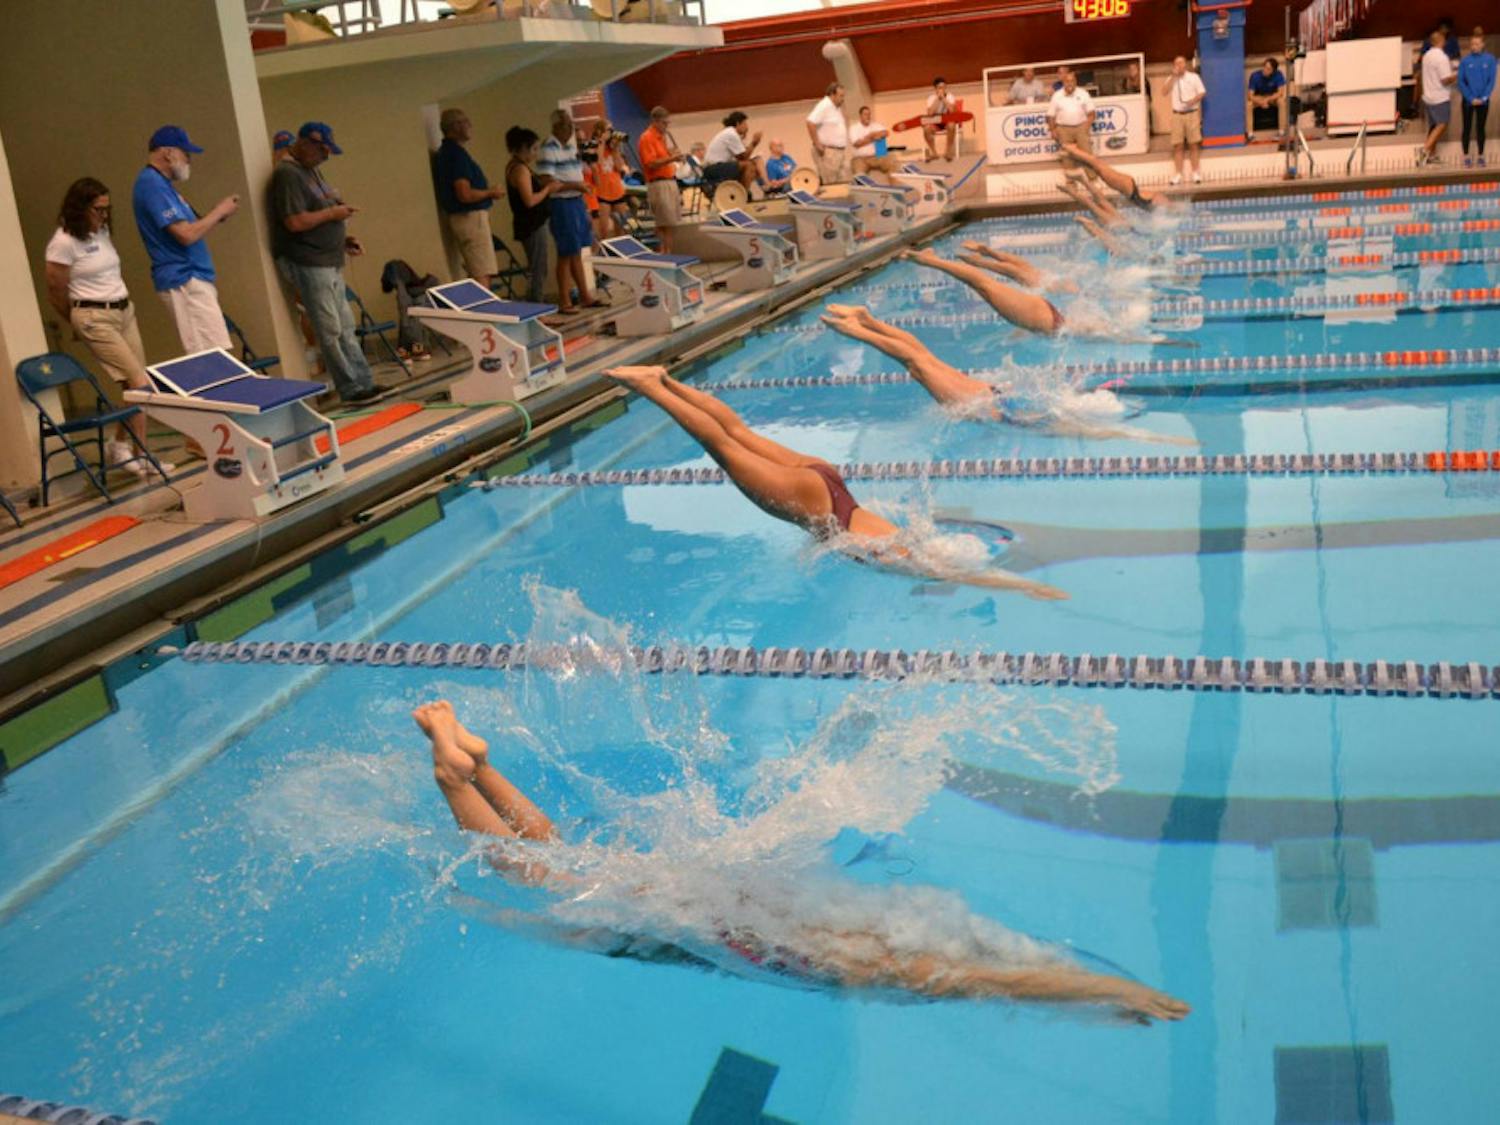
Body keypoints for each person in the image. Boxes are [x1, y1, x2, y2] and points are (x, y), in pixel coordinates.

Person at [412, 698, 1190, 1020]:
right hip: (685, 915)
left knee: (563, 861)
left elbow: (989, 969)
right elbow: (991, 978)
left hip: (707, 894)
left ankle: (478, 763)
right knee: (533, 876)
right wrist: (1104, 989)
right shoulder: (873, 965)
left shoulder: (852, 932)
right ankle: (458, 772)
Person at [604, 365, 1069, 598]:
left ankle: (664, 379)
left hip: (833, 484)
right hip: (819, 507)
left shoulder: (907, 536)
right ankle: (648, 388)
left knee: (740, 433)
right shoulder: (915, 559)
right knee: (726, 450)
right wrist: (1031, 589)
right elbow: (975, 576)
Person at [819, 305, 1187, 451]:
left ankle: (866, 321)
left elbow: (1114, 429)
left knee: (922, 359)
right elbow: (1113, 432)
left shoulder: (1071, 411)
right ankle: (857, 329)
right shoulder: (1072, 422)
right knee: (918, 365)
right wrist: (1163, 439)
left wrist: (1159, 436)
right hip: (982, 405)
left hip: (992, 395)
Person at [45, 177, 173, 477]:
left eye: (107, 209)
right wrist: (80, 322)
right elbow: (56, 292)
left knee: (138, 385)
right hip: (94, 316)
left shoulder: (101, 232)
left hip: (123, 311)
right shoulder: (63, 242)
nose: (104, 216)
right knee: (139, 384)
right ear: (80, 209)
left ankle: (121, 446)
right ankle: (141, 455)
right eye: (97, 210)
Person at [268, 121, 378, 403]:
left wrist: (342, 239)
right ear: (306, 144)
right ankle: (351, 389)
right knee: (330, 329)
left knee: (345, 325)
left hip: (329, 258)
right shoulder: (287, 175)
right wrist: (333, 216)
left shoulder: (311, 170)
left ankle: (364, 382)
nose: (326, 157)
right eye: (323, 151)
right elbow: (294, 221)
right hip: (308, 261)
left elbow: (321, 210)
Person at [902, 249, 1192, 347]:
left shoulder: (1106, 316)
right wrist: (1159, 341)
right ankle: (930, 261)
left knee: (990, 284)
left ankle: (935, 261)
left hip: (1047, 315)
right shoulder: (1107, 327)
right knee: (985, 285)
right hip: (1047, 319)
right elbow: (1127, 338)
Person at [131, 125, 238, 354]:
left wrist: (217, 215)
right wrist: (219, 211)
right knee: (212, 359)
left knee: (217, 355)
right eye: (185, 154)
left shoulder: (164, 186)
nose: (189, 161)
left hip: (194, 276)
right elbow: (186, 234)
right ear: (168, 152)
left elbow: (191, 227)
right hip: (184, 278)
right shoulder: (151, 184)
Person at [536, 108, 603, 315]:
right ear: (557, 126)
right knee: (565, 253)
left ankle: (585, 295)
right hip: (561, 205)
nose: (571, 129)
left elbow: (576, 175)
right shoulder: (548, 148)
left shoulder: (570, 147)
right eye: (567, 125)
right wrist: (575, 186)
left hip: (576, 202)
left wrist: (581, 197)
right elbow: (547, 182)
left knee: (578, 251)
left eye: (571, 125)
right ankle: (564, 300)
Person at [434, 108, 503, 287]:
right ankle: (484, 313)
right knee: (481, 270)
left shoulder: (448, 153)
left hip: (463, 218)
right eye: (465, 122)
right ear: (455, 127)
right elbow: (464, 193)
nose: (470, 125)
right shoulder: (456, 155)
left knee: (478, 268)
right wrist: (490, 192)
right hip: (470, 217)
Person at [505, 126, 559, 304]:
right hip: (531, 224)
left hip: (533, 223)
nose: (536, 154)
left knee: (538, 267)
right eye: (534, 149)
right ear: (523, 148)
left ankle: (536, 308)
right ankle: (537, 310)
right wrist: (548, 190)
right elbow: (529, 200)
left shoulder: (520, 167)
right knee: (538, 269)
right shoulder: (519, 169)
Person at [1056, 142, 1166, 216]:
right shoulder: (1160, 204)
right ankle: (1072, 149)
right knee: (1098, 165)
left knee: (1097, 168)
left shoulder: (1156, 209)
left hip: (1128, 188)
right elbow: (1156, 196)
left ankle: (1071, 155)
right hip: (1128, 187)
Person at [953, 240, 1079, 295]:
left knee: (1024, 270)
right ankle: (983, 258)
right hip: (1054, 285)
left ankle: (988, 255)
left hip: (1053, 282)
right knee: (1025, 271)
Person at [637, 106, 683, 254]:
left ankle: (668, 252)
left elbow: (661, 157)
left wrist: (671, 154)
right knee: (664, 223)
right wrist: (672, 158)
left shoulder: (661, 137)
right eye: (664, 123)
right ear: (655, 121)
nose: (666, 126)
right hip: (658, 183)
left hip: (668, 181)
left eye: (667, 123)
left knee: (670, 223)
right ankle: (665, 254)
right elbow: (650, 163)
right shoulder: (647, 138)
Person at [1047, 70, 1097, 181]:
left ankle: (1093, 178)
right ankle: (1070, 181)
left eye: (1072, 81)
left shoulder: (1083, 94)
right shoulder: (1057, 95)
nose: (1070, 83)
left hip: (1080, 127)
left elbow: (1092, 114)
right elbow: (1050, 116)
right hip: (1063, 129)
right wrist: (1053, 130)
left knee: (1087, 154)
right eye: (1067, 81)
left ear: (1076, 82)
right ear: (1063, 82)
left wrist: (1086, 127)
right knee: (1067, 156)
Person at [1418, 29, 1459, 166]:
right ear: (1441, 41)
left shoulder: (1427, 56)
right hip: (1439, 97)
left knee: (1433, 126)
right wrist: (1457, 74)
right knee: (1442, 124)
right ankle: (1424, 150)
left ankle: (1431, 155)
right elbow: (1445, 79)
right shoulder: (1441, 57)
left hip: (1428, 96)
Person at [1165, 56, 1206, 184]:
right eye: (1176, 63)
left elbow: (1202, 92)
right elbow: (1163, 92)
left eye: (1181, 63)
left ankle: (1195, 172)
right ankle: (1178, 174)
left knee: (1194, 144)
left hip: (1192, 114)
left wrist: (1191, 102)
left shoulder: (1193, 77)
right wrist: (1172, 77)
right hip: (1177, 115)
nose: (1179, 65)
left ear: (1185, 64)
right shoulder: (1171, 79)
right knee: (1178, 145)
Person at [1458, 27, 1495, 168]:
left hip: (1483, 101)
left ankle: (1481, 155)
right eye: (1472, 44)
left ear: (1483, 44)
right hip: (1468, 101)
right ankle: (1466, 156)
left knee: (1481, 128)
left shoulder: (1490, 60)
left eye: (1477, 44)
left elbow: (1491, 81)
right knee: (1466, 128)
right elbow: (1461, 81)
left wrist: (1484, 97)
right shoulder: (1465, 61)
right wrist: (1470, 97)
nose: (1474, 47)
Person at [703, 111, 764, 195]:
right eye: (745, 124)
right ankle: (743, 194)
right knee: (749, 165)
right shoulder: (731, 134)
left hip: (715, 167)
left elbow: (741, 155)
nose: (747, 127)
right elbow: (744, 157)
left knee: (754, 167)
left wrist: (744, 139)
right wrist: (754, 143)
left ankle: (739, 192)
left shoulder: (730, 133)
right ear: (738, 123)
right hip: (713, 169)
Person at [591, 123, 631, 240]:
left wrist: (615, 149)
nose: (611, 132)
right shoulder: (593, 147)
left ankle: (621, 253)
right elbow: (599, 162)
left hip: (616, 190)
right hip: (602, 193)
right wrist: (602, 141)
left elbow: (619, 167)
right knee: (603, 230)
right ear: (600, 132)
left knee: (622, 227)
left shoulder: (612, 148)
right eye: (608, 130)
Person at [806, 82, 850, 186]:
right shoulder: (824, 105)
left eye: (843, 96)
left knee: (844, 183)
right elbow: (810, 122)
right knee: (831, 185)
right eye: (841, 96)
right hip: (828, 153)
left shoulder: (836, 107)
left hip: (839, 152)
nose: (843, 99)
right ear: (832, 94)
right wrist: (817, 144)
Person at [850, 107, 900, 180]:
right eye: (865, 114)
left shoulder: (875, 125)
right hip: (860, 159)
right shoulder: (854, 128)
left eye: (869, 114)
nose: (868, 116)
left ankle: (895, 189)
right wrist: (872, 137)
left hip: (876, 157)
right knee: (859, 176)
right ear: (860, 116)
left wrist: (874, 134)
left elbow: (886, 133)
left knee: (893, 163)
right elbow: (857, 144)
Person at [1246, 58, 1286, 138]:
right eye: (1265, 67)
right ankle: (1250, 134)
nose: (1265, 70)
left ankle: (1281, 132)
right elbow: (1250, 96)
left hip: (1272, 97)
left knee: (1281, 102)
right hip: (1259, 97)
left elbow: (1280, 93)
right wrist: (1261, 102)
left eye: (1268, 69)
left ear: (1273, 71)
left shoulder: (1278, 75)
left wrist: (1267, 100)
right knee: (1248, 104)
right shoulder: (1255, 76)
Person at [923, 77, 957, 162]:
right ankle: (934, 153)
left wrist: (944, 99)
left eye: (944, 87)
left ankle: (948, 152)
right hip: (935, 122)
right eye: (940, 88)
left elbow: (952, 111)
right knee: (926, 129)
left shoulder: (950, 96)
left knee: (952, 125)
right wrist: (938, 99)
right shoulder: (931, 98)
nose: (942, 89)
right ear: (935, 89)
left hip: (947, 121)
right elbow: (930, 113)